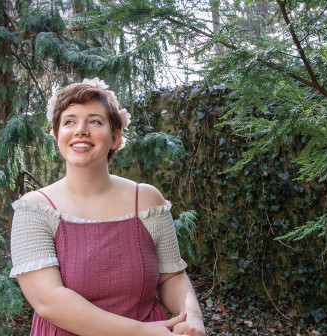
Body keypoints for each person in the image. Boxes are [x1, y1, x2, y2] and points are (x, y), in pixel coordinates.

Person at [10, 78, 205, 336]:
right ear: (57, 135)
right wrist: (141, 333)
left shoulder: (147, 201)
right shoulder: (34, 210)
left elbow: (170, 277)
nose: (80, 130)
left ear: (115, 137)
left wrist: (191, 314)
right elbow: (50, 302)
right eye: (69, 121)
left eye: (94, 121)